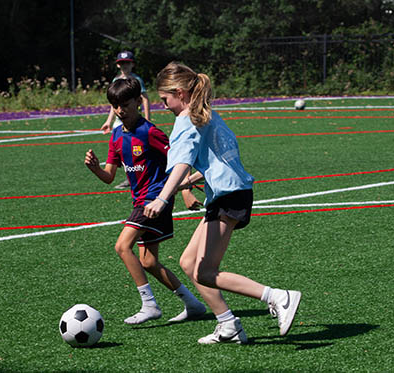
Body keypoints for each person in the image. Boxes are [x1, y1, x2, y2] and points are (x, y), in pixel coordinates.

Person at [144, 62, 302, 344]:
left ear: (179, 93)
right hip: (231, 192)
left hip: (229, 195)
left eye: (165, 100)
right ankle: (228, 324)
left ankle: (278, 297)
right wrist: (190, 181)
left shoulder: (186, 120)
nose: (163, 106)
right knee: (189, 262)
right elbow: (217, 159)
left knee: (205, 271)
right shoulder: (206, 114)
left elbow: (181, 162)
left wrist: (162, 197)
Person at [85, 76, 206, 325]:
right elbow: (109, 177)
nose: (120, 111)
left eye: (125, 105)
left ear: (137, 103)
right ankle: (192, 304)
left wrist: (184, 190)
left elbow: (181, 159)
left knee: (122, 246)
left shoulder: (150, 133)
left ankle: (149, 304)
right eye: (115, 106)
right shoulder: (117, 136)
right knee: (148, 261)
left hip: (155, 199)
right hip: (141, 201)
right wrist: (95, 169)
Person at [101, 51, 151, 189]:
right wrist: (108, 121)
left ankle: (140, 174)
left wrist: (147, 117)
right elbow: (114, 104)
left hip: (132, 117)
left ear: (132, 64)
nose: (125, 66)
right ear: (118, 65)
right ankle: (130, 176)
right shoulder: (115, 81)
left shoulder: (136, 80)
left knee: (136, 147)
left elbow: (145, 99)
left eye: (127, 63)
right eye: (122, 63)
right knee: (122, 148)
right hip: (119, 120)